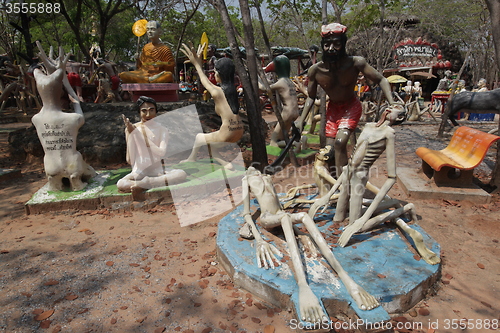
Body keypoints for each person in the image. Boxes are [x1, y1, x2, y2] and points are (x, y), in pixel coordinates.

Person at [240, 167, 379, 323]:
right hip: (267, 218)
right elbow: (246, 213)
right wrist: (259, 240)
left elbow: (280, 208)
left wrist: (301, 233)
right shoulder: (246, 180)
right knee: (286, 218)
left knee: (304, 216)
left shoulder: (267, 177)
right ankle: (303, 285)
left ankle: (346, 279)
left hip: (280, 215)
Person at [298, 23, 396, 176]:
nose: (331, 48)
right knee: (328, 151)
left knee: (339, 143)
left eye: (336, 44)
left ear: (343, 44)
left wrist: (392, 103)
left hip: (350, 107)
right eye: (327, 44)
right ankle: (333, 184)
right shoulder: (315, 70)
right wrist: (301, 120)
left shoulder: (356, 63)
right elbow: (311, 96)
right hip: (332, 110)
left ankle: (343, 185)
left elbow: (382, 80)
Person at [32, 43, 95, 191]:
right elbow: (76, 100)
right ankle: (76, 180)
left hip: (50, 166)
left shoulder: (36, 119)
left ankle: (54, 180)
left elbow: (45, 99)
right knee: (89, 170)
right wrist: (67, 85)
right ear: (60, 92)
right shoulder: (73, 119)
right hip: (72, 165)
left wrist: (51, 74)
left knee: (53, 164)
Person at [180, 43, 244, 168]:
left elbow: (205, 81)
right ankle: (225, 164)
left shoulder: (217, 92)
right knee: (210, 144)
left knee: (199, 137)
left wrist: (197, 65)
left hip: (227, 133)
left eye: (215, 72)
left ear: (219, 74)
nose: (214, 75)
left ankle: (191, 159)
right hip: (239, 131)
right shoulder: (233, 91)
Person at [118, 96, 187, 200]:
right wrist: (131, 134)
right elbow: (130, 160)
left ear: (156, 111)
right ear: (139, 112)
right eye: (144, 111)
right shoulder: (132, 129)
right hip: (139, 170)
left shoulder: (162, 129)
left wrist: (141, 137)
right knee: (121, 184)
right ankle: (147, 183)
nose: (148, 115)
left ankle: (146, 183)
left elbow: (161, 152)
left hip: (157, 169)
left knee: (181, 174)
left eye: (151, 110)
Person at [260, 55, 299, 147]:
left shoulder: (281, 82)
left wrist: (257, 81)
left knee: (273, 142)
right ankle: (298, 142)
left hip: (287, 112)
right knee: (281, 137)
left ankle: (296, 144)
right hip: (295, 112)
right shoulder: (289, 81)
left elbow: (265, 89)